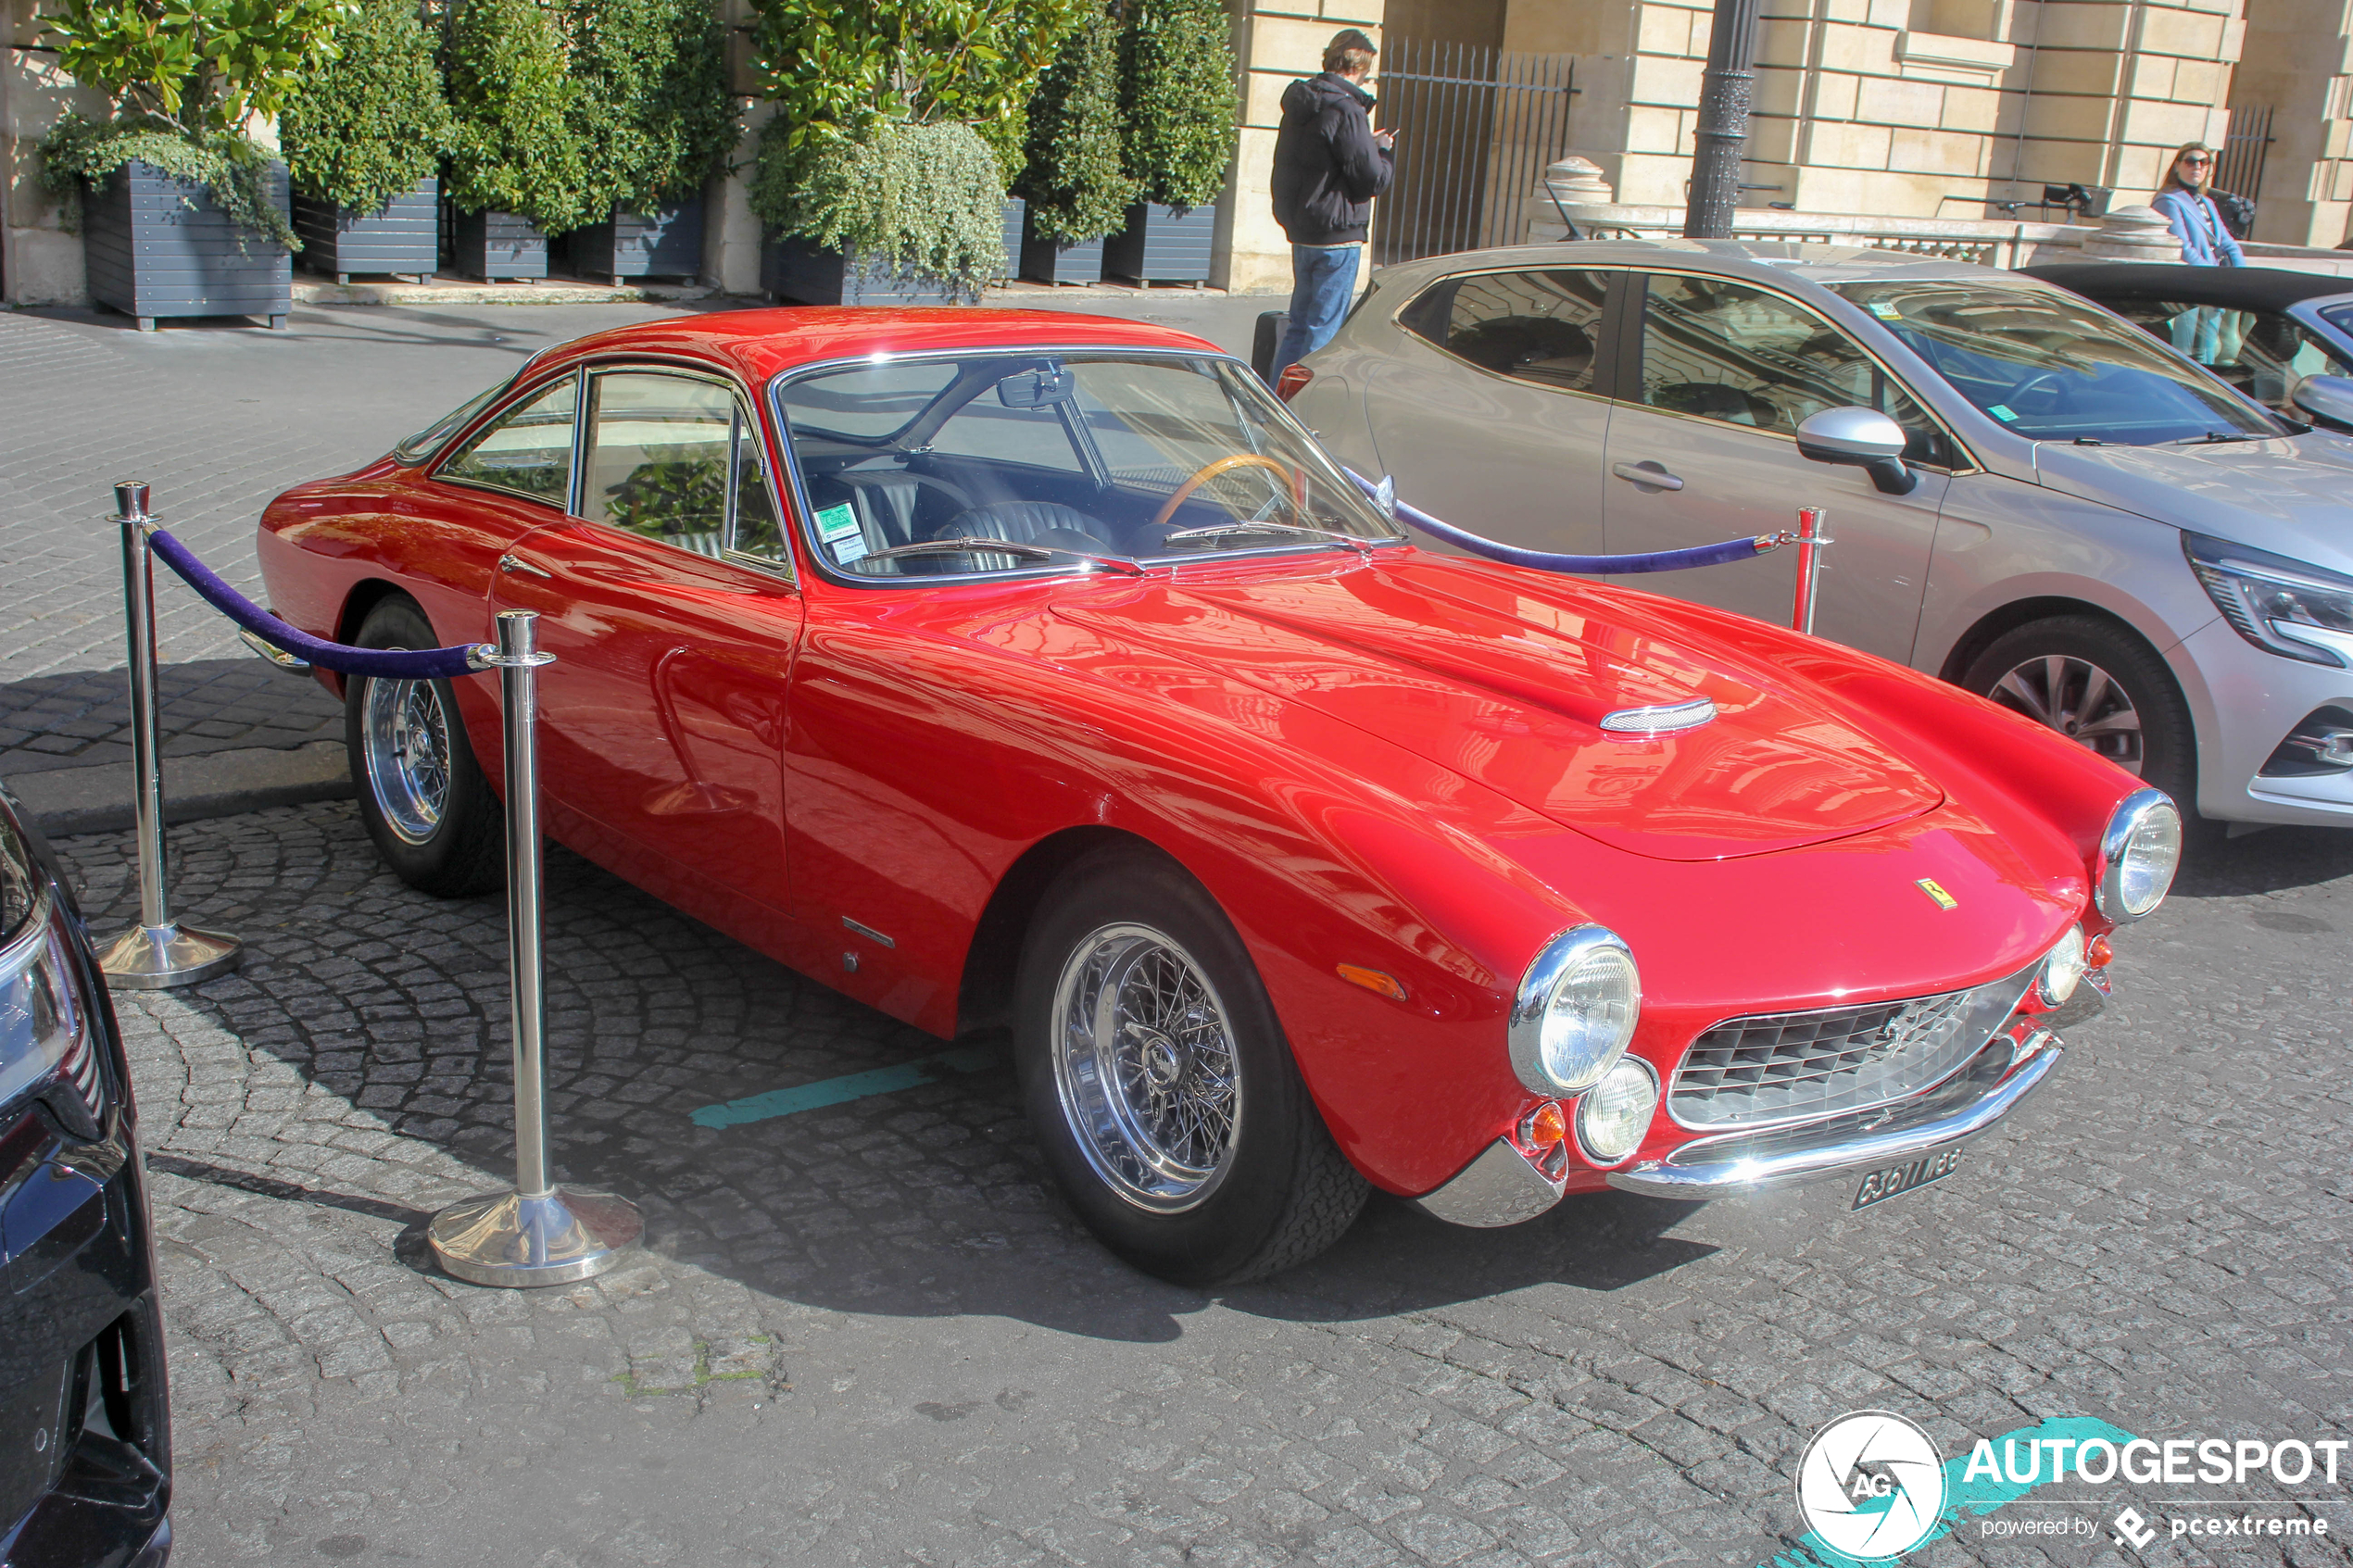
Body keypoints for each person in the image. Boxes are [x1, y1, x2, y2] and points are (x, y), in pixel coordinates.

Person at [1268, 29, 1395, 383]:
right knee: (1322, 331)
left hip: (1303, 228)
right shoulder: (1348, 109)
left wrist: (1364, 147)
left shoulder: (1301, 103)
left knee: (1298, 327)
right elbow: (1371, 179)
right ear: (1360, 68)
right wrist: (1382, 150)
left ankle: (1276, 404)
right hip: (1338, 233)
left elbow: (1309, 158)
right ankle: (1303, 410)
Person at [2152, 142, 2245, 364]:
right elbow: (2182, 246)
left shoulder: (2207, 202)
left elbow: (2227, 241)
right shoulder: (2168, 199)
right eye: (2191, 161)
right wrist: (2211, 275)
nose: (2198, 167)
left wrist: (2242, 274)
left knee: (2207, 347)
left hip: (2213, 282)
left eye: (2204, 162)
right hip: (2190, 282)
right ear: (2177, 166)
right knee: (2185, 349)